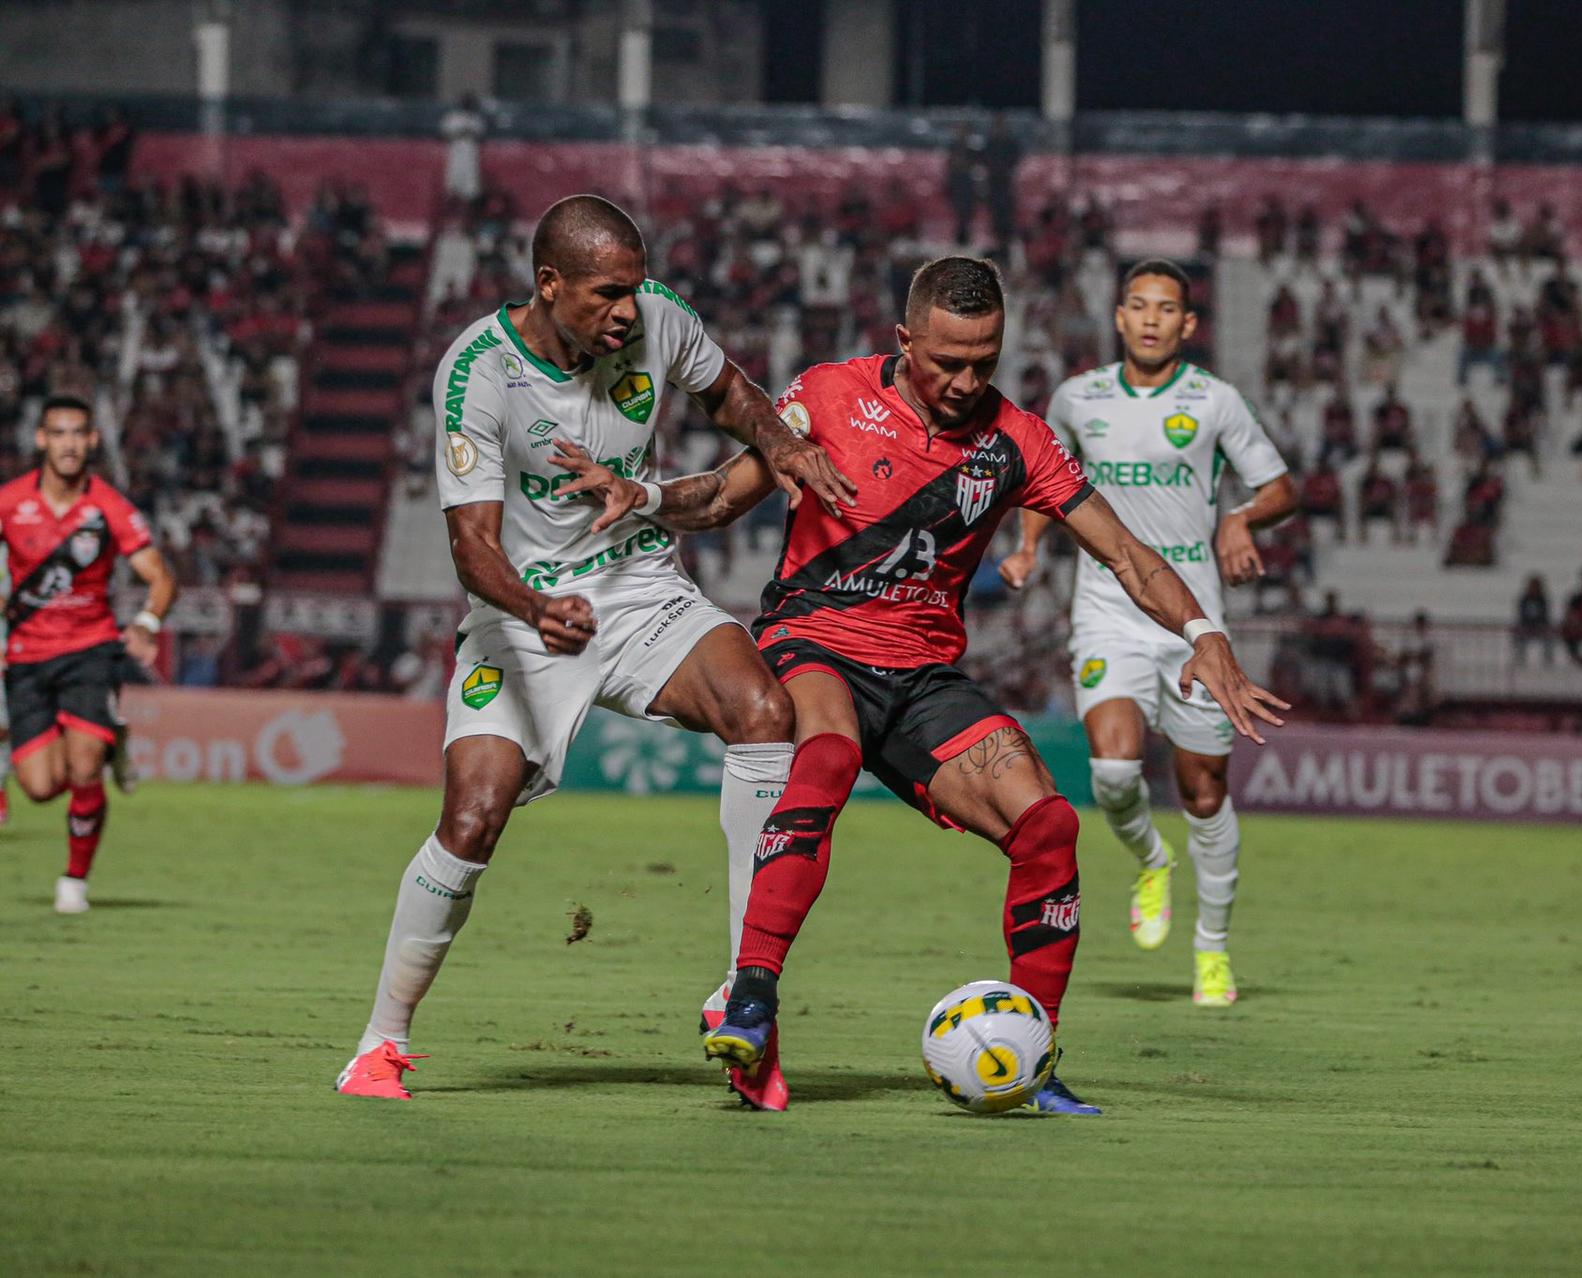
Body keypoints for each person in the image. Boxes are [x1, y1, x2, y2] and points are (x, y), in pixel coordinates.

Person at [643, 257, 1287, 1114]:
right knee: (826, 757)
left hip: (923, 677)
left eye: (984, 360)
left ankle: (1038, 1055)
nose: (965, 380)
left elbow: (1128, 552)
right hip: (815, 643)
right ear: (906, 339)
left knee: (1049, 825)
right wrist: (640, 496)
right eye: (946, 361)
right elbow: (724, 496)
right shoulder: (830, 395)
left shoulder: (1016, 440)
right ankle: (750, 997)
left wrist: (1203, 633)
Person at [333, 195, 856, 1109]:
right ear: (550, 284)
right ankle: (380, 1043)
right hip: (524, 615)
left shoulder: (658, 318)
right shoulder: (479, 373)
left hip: (640, 589)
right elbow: (473, 548)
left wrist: (781, 443)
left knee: (765, 715)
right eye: (608, 292)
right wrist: (536, 607)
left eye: (634, 287)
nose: (628, 309)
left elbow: (731, 392)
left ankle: (744, 1000)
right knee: (473, 818)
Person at [1001, 258, 1297, 1003]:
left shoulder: (1215, 401)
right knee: (1113, 771)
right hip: (1106, 609)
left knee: (1203, 791)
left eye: (1168, 308)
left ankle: (1212, 949)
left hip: (1196, 620)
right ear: (1120, 317)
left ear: (1188, 325)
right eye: (1139, 305)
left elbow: (1281, 488)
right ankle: (1152, 861)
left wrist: (1239, 516)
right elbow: (1045, 475)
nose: (1153, 318)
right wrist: (1031, 544)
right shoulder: (1078, 398)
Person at [1, 397, 176, 913]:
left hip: (90, 650)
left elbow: (160, 577)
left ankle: (74, 881)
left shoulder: (110, 506)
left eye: (78, 434)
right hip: (27, 656)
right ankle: (110, 738)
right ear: (41, 440)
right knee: (38, 786)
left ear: (93, 440)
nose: (69, 444)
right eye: (58, 433)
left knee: (82, 767)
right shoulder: (10, 501)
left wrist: (146, 623)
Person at [1512, 574, 1554, 666]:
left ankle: (1548, 659)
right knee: (1517, 631)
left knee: (1550, 634)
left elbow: (1545, 615)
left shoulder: (1542, 599)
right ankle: (1520, 658)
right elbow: (1521, 614)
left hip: (1539, 626)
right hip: (1526, 626)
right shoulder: (1524, 599)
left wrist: (1539, 625)